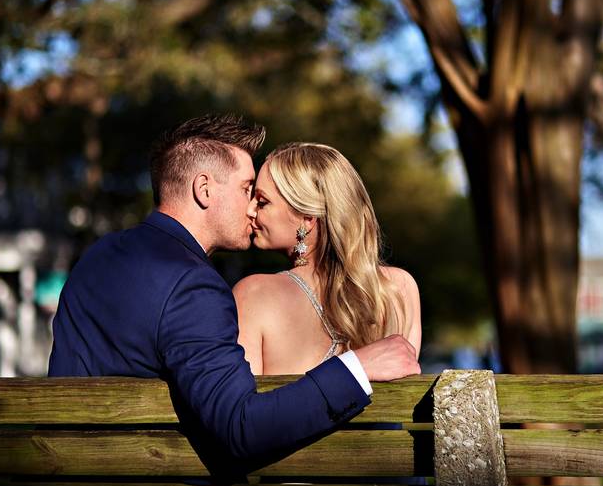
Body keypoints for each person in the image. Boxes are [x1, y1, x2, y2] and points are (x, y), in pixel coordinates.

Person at [48, 114, 420, 461]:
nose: (251, 210)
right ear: (204, 190)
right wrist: (355, 367)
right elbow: (240, 427)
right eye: (247, 190)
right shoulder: (194, 287)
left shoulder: (95, 260)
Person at [233, 143, 421, 375]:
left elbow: (244, 409)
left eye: (262, 202)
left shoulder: (253, 294)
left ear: (307, 218)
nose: (250, 210)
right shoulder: (398, 289)